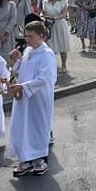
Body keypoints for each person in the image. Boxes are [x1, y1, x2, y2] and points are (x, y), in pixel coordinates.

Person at [8, 20, 57, 176]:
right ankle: (26, 159)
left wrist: (23, 87)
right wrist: (16, 60)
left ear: (41, 36)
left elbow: (45, 78)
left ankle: (39, 160)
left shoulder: (47, 54)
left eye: (30, 36)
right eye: (26, 36)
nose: (27, 39)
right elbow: (23, 69)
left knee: (37, 126)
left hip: (38, 99)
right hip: (24, 97)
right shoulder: (29, 50)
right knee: (23, 127)